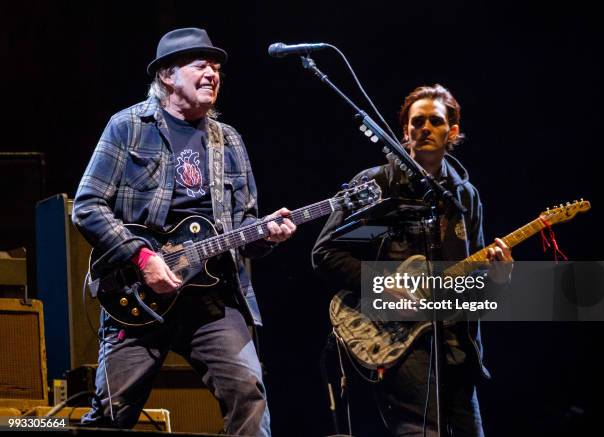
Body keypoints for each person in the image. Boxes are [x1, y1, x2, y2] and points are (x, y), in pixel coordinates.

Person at [72, 27, 296, 436]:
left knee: (249, 392)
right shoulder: (128, 127)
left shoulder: (229, 141)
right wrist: (143, 257)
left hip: (211, 299)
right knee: (111, 414)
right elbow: (87, 206)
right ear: (167, 76)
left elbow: (243, 224)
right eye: (201, 65)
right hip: (139, 296)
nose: (213, 73)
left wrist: (266, 233)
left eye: (216, 68)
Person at [312, 84, 513, 436]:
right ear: (404, 132)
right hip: (400, 340)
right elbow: (327, 253)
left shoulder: (464, 198)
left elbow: (475, 290)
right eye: (416, 122)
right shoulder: (378, 188)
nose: (424, 128)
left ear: (452, 132)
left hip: (456, 345)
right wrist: (382, 284)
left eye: (435, 121)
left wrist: (498, 277)